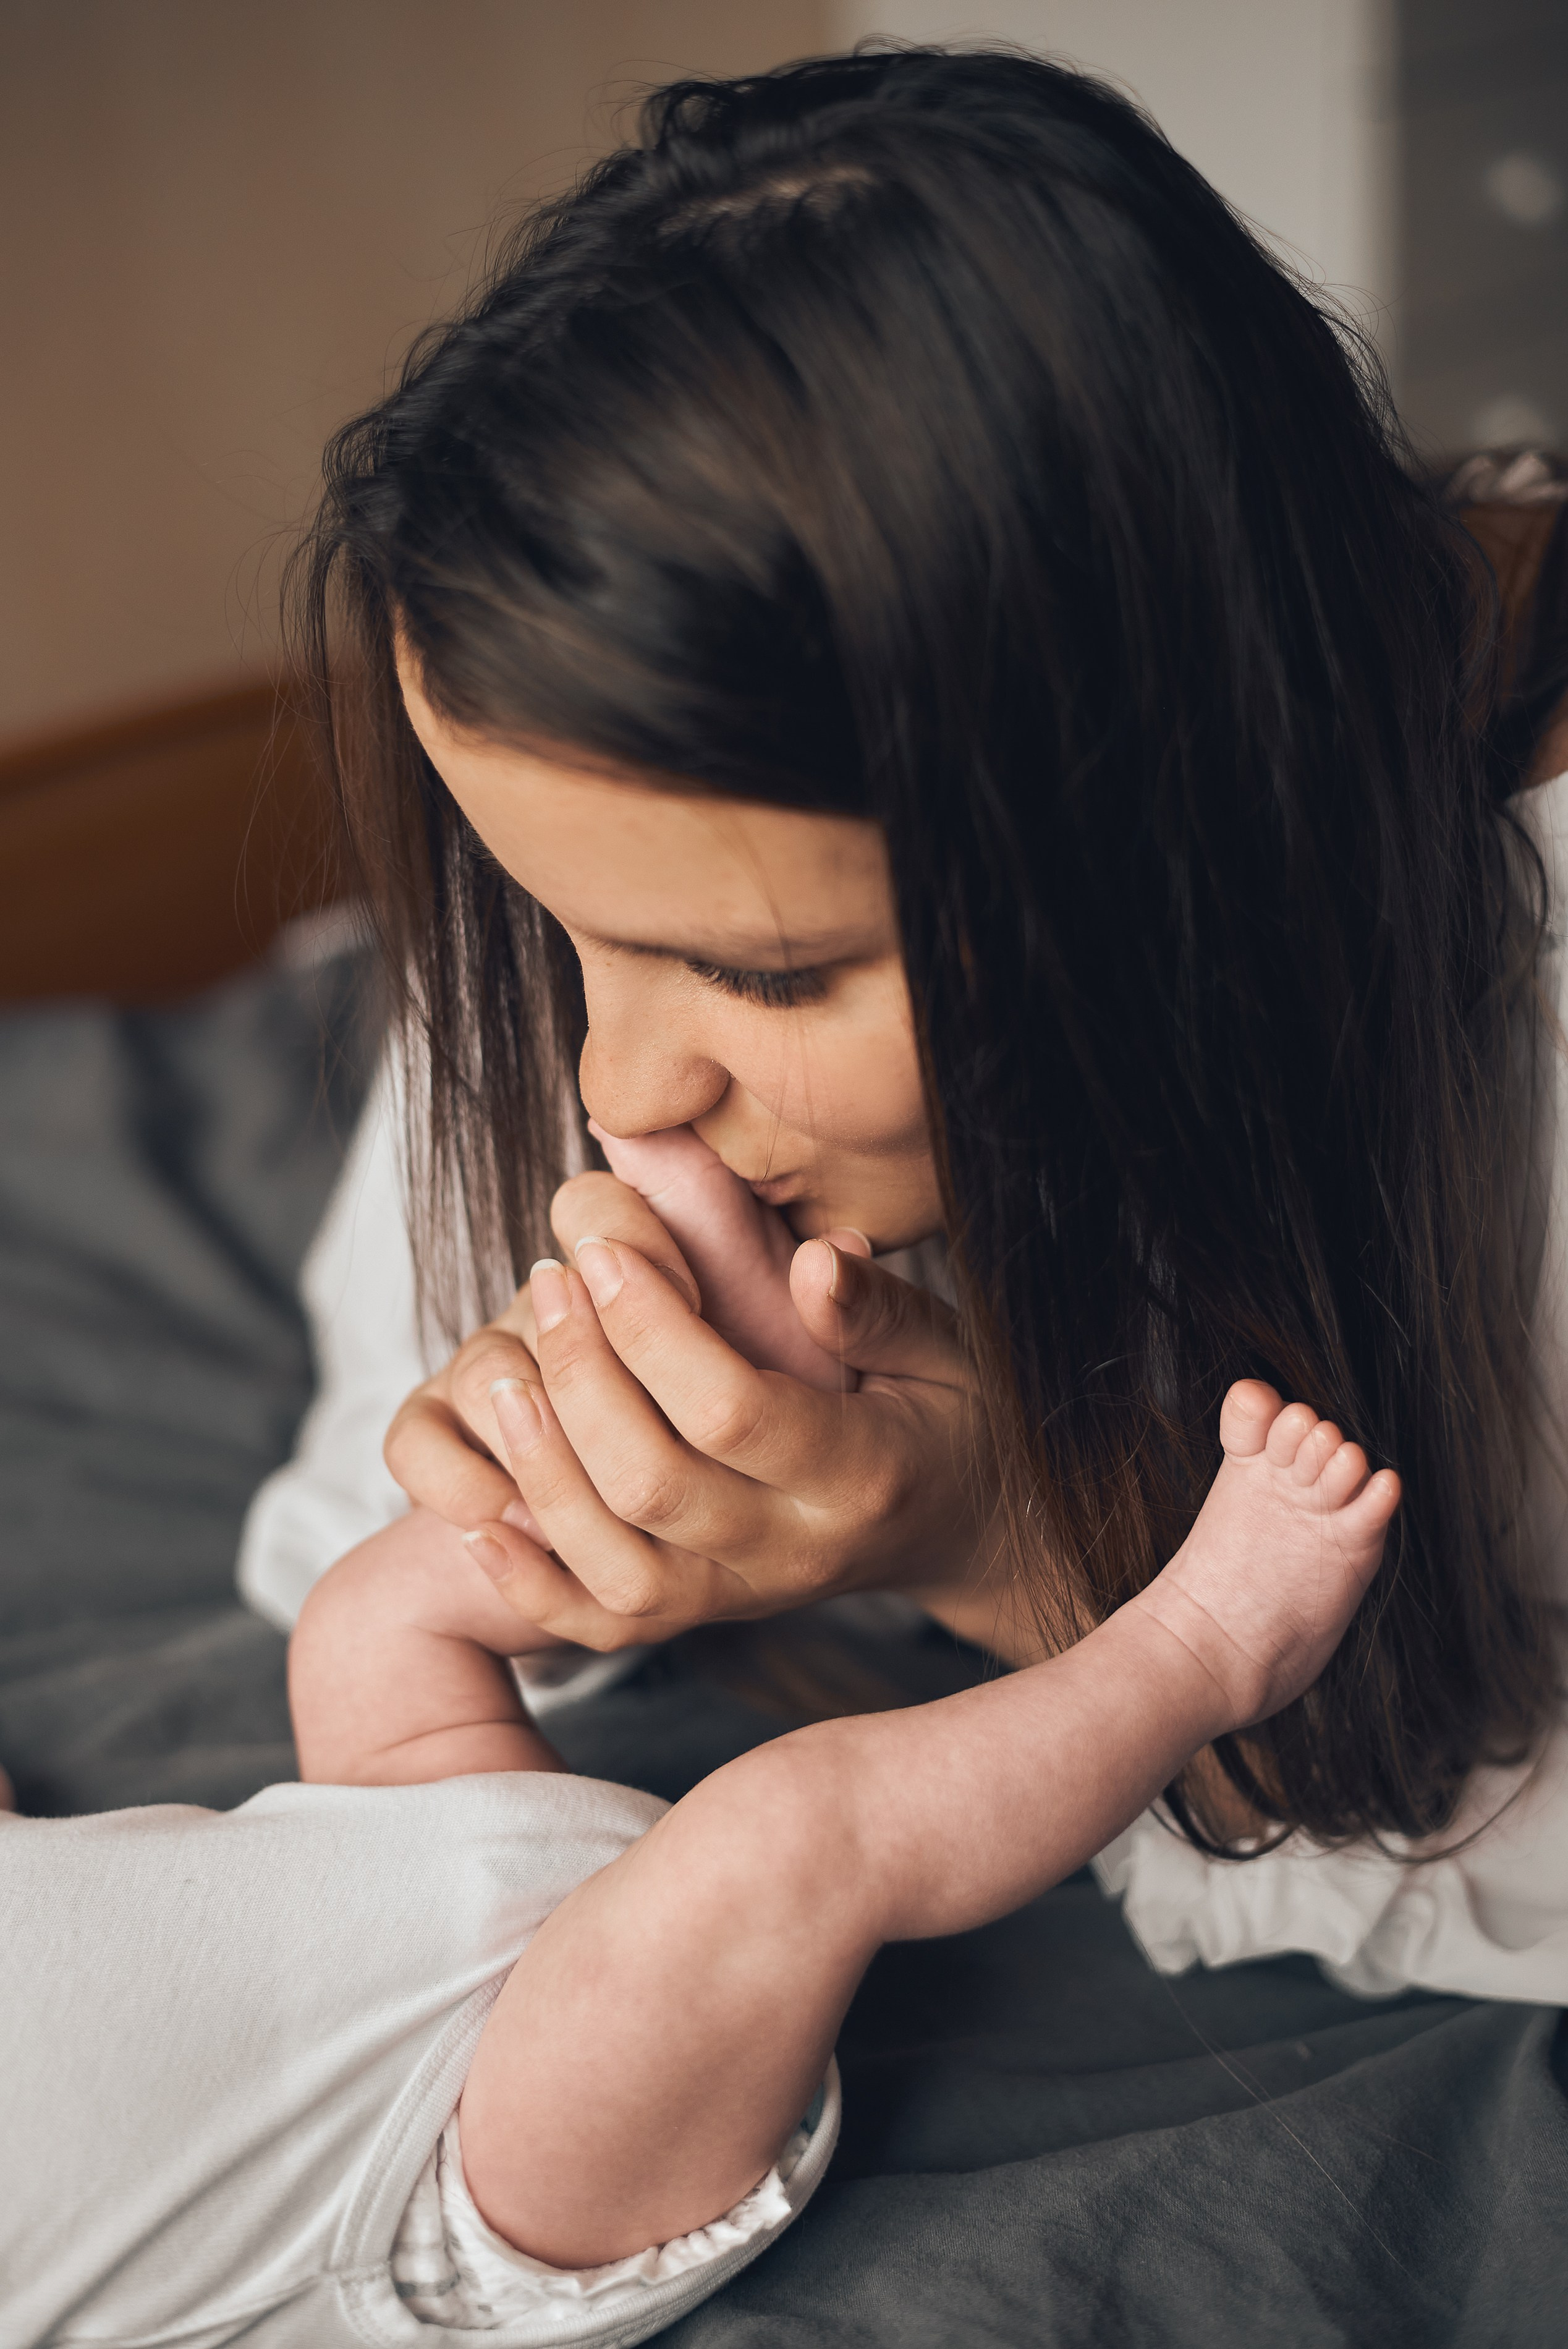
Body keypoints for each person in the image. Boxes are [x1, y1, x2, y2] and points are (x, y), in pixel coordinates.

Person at [242, 45, 1568, 2007]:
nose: (620, 1085)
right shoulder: (631, 831)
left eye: (769, 977)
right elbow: (358, 1503)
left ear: (1172, 838)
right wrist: (577, 1496)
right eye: (553, 924)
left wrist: (995, 1545)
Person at [3, 1355, 1395, 2342]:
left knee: (369, 1612)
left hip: (378, 1840)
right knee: (789, 1830)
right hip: (456, 2168)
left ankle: (715, 1456)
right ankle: (1206, 1648)